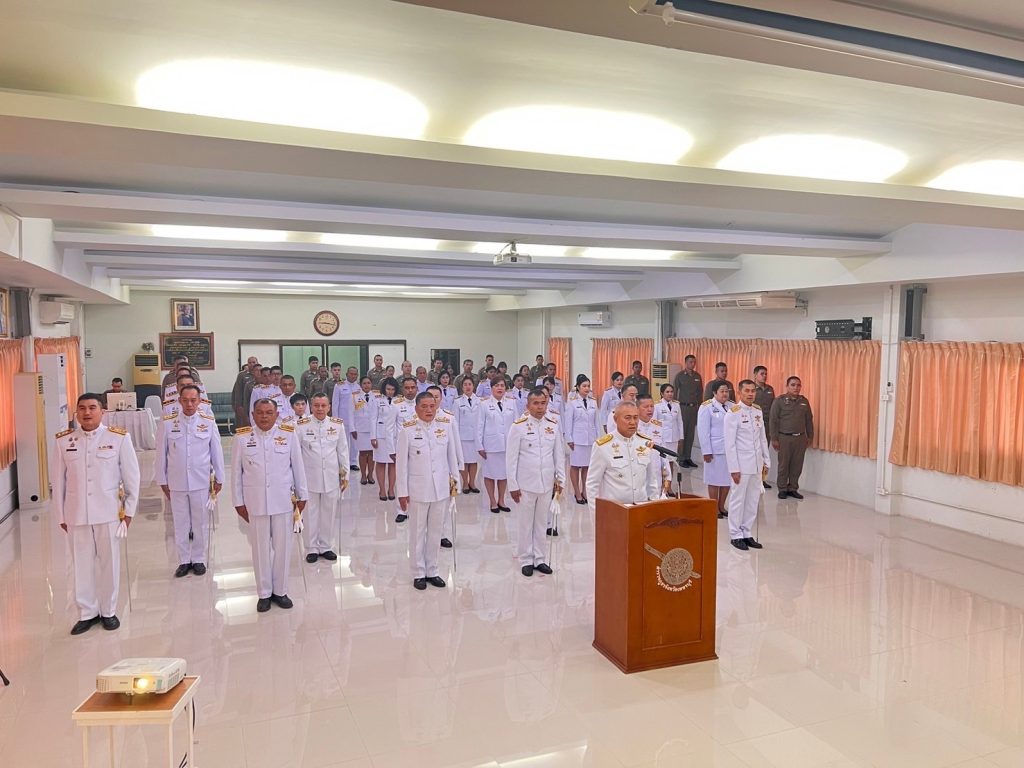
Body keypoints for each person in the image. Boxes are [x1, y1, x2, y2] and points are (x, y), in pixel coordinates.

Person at [52, 393, 140, 635]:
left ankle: (108, 611)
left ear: (103, 412)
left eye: (92, 408)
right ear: (76, 413)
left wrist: (129, 512)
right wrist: (61, 516)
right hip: (76, 514)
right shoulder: (64, 441)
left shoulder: (118, 438)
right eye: (82, 408)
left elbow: (132, 477)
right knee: (81, 565)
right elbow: (58, 482)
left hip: (109, 513)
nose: (87, 413)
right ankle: (87, 613)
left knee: (109, 563)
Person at [232, 398, 308, 613]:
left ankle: (281, 591)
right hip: (255, 502)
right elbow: (236, 473)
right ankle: (264, 593)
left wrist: (302, 496)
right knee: (260, 549)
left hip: (283, 501)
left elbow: (298, 467)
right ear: (252, 415)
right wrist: (238, 502)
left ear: (276, 415)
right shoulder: (242, 438)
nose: (264, 416)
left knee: (283, 549)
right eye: (260, 412)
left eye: (268, 412)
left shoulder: (288, 435)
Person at [155, 383, 225, 578]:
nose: (189, 404)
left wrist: (219, 478)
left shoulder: (208, 422)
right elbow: (161, 454)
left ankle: (199, 558)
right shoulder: (168, 423)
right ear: (179, 401)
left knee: (200, 522)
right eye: (185, 400)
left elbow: (216, 451)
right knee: (180, 522)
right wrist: (162, 480)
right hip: (176, 482)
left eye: (193, 400)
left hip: (201, 481)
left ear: (200, 401)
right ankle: (184, 560)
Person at [395, 392, 460, 590]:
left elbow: (451, 457)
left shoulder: (444, 427)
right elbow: (401, 465)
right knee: (417, 532)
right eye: (424, 407)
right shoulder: (407, 430)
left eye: (432, 406)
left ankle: (432, 570)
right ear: (416, 409)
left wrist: (455, 482)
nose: (429, 410)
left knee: (435, 532)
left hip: (441, 489)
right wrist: (402, 492)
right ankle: (418, 572)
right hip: (417, 490)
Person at [507, 388, 566, 577]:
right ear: (528, 405)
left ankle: (540, 558)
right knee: (525, 524)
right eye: (536, 403)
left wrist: (561, 480)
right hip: (525, 484)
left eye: (543, 403)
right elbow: (511, 459)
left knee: (541, 523)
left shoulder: (553, 425)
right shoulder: (518, 426)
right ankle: (526, 559)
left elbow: (559, 455)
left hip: (546, 483)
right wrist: (513, 485)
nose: (540, 407)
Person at [297, 393, 348, 563]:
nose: (320, 409)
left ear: (329, 407)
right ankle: (311, 547)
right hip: (309, 477)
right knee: (310, 513)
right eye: (316, 405)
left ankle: (326, 546)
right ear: (311, 407)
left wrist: (345, 475)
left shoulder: (337, 425)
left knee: (329, 512)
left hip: (331, 476)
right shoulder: (301, 426)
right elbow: (296, 454)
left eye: (323, 405)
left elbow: (343, 451)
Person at [586, 400, 660, 512]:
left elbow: (651, 481)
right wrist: (597, 516)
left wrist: (655, 509)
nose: (632, 422)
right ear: (615, 419)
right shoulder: (603, 446)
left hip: (641, 509)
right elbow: (592, 485)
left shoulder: (645, 443)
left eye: (635, 418)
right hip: (615, 511)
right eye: (627, 418)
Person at [725, 380, 770, 551]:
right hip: (741, 465)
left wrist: (766, 460)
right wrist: (734, 468)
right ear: (739, 392)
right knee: (738, 499)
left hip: (756, 464)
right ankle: (735, 534)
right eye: (747, 391)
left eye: (753, 391)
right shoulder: (733, 413)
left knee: (752, 499)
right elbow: (730, 444)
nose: (750, 394)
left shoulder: (757, 411)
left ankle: (746, 531)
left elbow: (762, 438)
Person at [769, 376, 814, 500]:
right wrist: (774, 438)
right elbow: (773, 420)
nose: (796, 388)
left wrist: (810, 436)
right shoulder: (779, 401)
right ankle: (782, 489)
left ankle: (793, 488)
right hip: (784, 438)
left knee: (797, 465)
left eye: (798, 385)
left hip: (800, 438)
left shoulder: (804, 401)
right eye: (793, 385)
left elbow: (809, 420)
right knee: (784, 465)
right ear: (787, 386)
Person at [477, 378, 515, 514]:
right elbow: (479, 425)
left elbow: (516, 424)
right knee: (490, 474)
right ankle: (492, 501)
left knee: (504, 474)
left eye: (502, 385)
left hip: (507, 445)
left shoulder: (512, 403)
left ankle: (501, 500)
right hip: (490, 445)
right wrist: (479, 445)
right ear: (491, 388)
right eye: (497, 385)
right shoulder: (484, 404)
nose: (500, 388)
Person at [697, 382, 734, 518]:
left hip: (730, 450)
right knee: (714, 479)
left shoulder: (733, 406)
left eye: (727, 391)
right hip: (714, 450)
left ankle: (721, 506)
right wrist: (706, 451)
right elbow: (703, 431)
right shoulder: (706, 407)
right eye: (722, 391)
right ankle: (714, 507)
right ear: (714, 393)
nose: (725, 394)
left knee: (727, 480)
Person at [563, 376, 598, 506]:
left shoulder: (593, 402)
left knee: (586, 467)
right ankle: (577, 492)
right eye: (584, 386)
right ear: (578, 387)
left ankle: (585, 491)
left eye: (588, 386)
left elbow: (596, 421)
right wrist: (569, 438)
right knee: (575, 466)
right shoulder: (572, 402)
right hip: (577, 440)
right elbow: (568, 422)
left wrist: (598, 438)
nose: (587, 388)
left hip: (590, 439)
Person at [370, 377, 400, 503]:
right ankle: (382, 489)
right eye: (388, 389)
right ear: (384, 389)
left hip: (395, 436)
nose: (390, 392)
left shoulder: (399, 401)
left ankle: (391, 489)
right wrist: (373, 437)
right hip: (381, 436)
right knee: (381, 463)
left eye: (392, 389)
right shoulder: (377, 400)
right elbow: (373, 418)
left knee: (393, 463)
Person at [637, 394, 670, 497]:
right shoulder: (632, 426)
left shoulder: (658, 425)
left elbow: (664, 452)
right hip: (638, 475)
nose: (650, 409)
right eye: (646, 407)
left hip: (656, 474)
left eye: (652, 406)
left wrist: (667, 477)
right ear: (637, 408)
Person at [672, 355, 703, 468]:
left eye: (694, 362)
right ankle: (680, 458)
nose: (692, 364)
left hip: (693, 408)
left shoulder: (697, 376)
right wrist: (674, 407)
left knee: (690, 435)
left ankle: (688, 457)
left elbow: (700, 393)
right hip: (683, 408)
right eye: (690, 362)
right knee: (682, 434)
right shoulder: (680, 376)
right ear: (686, 363)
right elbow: (675, 392)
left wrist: (700, 408)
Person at [654, 383, 685, 492]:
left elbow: (680, 422)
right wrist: (656, 439)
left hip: (674, 438)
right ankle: (661, 486)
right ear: (662, 393)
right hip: (662, 439)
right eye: (667, 392)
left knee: (671, 462)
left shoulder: (676, 405)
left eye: (671, 392)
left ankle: (669, 486)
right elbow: (654, 423)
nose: (670, 394)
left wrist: (681, 437)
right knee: (662, 463)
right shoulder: (657, 406)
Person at [454, 375, 482, 494]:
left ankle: (472, 483)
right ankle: (465, 483)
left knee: (474, 461)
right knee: (464, 461)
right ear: (462, 387)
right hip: (463, 437)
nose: (467, 387)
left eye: (469, 384)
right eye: (465, 385)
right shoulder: (457, 402)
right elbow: (455, 421)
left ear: (473, 386)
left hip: (476, 436)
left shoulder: (480, 401)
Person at [752, 366, 776, 489]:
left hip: (767, 424)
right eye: (762, 373)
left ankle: (762, 479)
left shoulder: (770, 389)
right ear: (755, 374)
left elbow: (774, 407)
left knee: (763, 452)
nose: (764, 376)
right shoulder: (751, 388)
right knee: (754, 451)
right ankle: (753, 477)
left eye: (766, 374)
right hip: (754, 424)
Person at [351, 377, 376, 485]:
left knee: (372, 452)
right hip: (360, 429)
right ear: (360, 385)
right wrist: (352, 428)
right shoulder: (354, 396)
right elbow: (350, 413)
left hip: (373, 429)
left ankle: (370, 475)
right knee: (362, 453)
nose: (366, 385)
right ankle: (363, 475)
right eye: (364, 383)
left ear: (371, 384)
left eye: (368, 383)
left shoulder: (377, 396)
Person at [232, 357, 260, 429]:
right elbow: (238, 390)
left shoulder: (261, 374)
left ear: (257, 363)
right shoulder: (242, 375)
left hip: (257, 404)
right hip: (245, 404)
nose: (252, 364)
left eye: (253, 362)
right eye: (249, 363)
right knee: (244, 426)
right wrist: (238, 405)